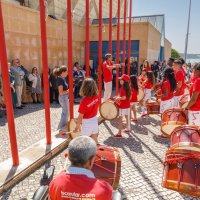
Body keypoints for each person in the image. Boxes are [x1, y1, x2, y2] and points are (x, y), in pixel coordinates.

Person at [73, 78, 99, 143]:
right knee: (94, 140)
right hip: (95, 121)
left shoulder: (84, 101)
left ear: (84, 87)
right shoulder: (97, 97)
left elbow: (80, 116)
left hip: (87, 124)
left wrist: (77, 126)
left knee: (83, 143)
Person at [54, 65, 69, 134]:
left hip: (64, 97)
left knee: (65, 113)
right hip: (63, 97)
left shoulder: (62, 79)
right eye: (66, 72)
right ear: (62, 72)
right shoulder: (60, 79)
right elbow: (61, 92)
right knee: (65, 114)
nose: (67, 73)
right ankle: (60, 129)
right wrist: (69, 90)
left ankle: (60, 128)